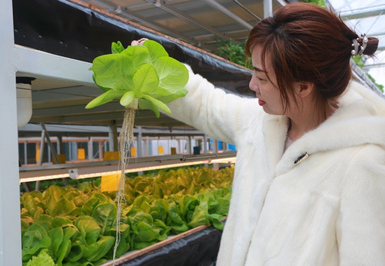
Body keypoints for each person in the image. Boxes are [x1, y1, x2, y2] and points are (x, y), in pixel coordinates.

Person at [133, 2, 385, 265]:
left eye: (263, 78)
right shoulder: (261, 124)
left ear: (303, 87)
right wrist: (158, 70)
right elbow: (206, 104)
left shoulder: (362, 162)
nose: (252, 85)